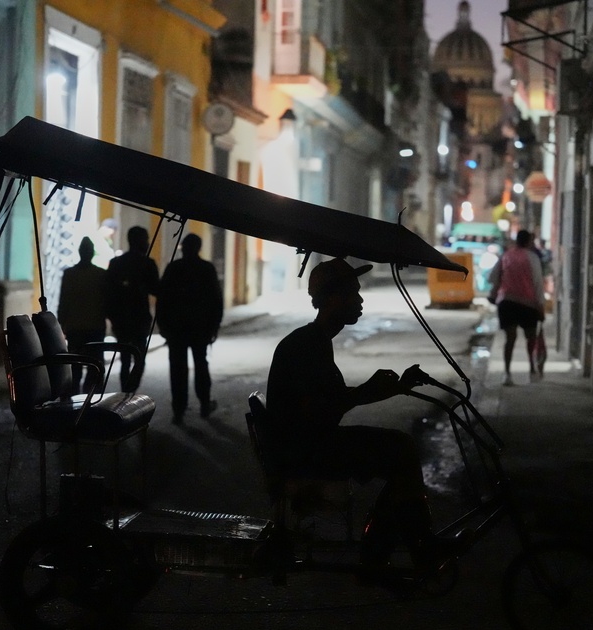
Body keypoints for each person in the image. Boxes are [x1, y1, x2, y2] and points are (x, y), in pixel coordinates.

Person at [266, 257, 451, 583]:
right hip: (305, 450)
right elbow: (320, 409)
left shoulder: (315, 341)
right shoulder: (307, 346)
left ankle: (382, 550)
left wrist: (391, 388)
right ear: (328, 300)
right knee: (401, 449)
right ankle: (409, 552)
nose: (360, 300)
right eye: (351, 293)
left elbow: (333, 401)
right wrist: (368, 390)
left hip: (307, 443)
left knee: (399, 449)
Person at [155, 233, 223, 424]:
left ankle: (179, 409)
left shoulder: (174, 268)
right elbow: (216, 301)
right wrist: (214, 326)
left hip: (177, 329)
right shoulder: (206, 269)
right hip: (200, 328)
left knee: (177, 369)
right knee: (201, 364)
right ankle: (203, 404)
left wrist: (163, 325)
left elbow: (162, 299)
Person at [105, 226, 160, 393]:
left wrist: (111, 316)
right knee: (139, 359)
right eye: (146, 239)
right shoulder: (148, 263)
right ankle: (129, 390)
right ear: (140, 241)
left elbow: (108, 291)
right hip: (139, 319)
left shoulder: (116, 263)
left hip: (121, 319)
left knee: (125, 359)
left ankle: (126, 390)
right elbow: (156, 290)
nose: (148, 243)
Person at [487, 229, 545, 386]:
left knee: (510, 339)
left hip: (507, 302)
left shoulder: (506, 256)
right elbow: (538, 283)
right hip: (528, 304)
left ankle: (507, 374)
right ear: (528, 242)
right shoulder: (533, 258)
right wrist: (541, 306)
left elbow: (493, 277)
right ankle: (532, 370)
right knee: (531, 338)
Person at [57, 236, 107, 395]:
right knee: (95, 365)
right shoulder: (100, 275)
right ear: (92, 253)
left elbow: (63, 302)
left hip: (75, 328)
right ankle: (89, 396)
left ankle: (74, 397)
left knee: (75, 365)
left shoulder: (69, 274)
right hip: (95, 327)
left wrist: (61, 325)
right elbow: (105, 302)